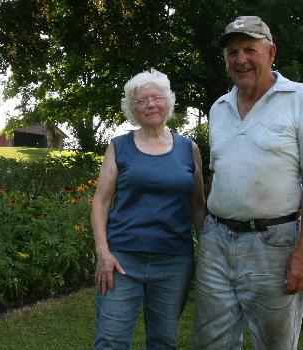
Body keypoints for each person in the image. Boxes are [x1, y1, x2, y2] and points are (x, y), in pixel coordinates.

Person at [192, 16, 303, 350]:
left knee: (275, 344)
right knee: (211, 342)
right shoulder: (219, 108)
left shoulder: (300, 98)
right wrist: (206, 231)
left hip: (274, 244)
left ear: (271, 53)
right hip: (216, 241)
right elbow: (220, 174)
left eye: (249, 50)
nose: (240, 59)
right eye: (232, 52)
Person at [91, 68, 206, 349]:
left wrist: (210, 251)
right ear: (132, 109)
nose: (151, 104)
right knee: (111, 341)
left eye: (157, 98)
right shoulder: (119, 146)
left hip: (174, 261)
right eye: (142, 101)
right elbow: (101, 202)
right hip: (122, 260)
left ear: (168, 102)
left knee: (163, 341)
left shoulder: (188, 149)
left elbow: (198, 206)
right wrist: (104, 254)